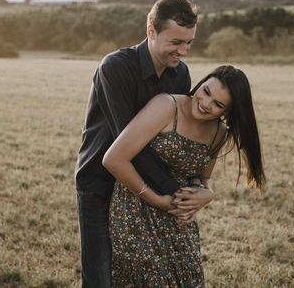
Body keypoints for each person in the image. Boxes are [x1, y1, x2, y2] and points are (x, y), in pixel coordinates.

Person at [74, 0, 215, 288]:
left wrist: (200, 188)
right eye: (176, 42)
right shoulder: (115, 67)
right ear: (151, 31)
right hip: (101, 184)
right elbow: (128, 142)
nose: (184, 51)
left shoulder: (181, 74)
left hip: (148, 190)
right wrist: (174, 194)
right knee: (100, 278)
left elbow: (180, 139)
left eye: (189, 42)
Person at [102, 65, 265, 286]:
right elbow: (114, 159)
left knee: (188, 280)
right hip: (136, 209)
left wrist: (206, 194)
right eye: (206, 91)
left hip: (180, 218)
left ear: (228, 111)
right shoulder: (166, 106)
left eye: (218, 104)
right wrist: (157, 201)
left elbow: (201, 177)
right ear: (202, 83)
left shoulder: (219, 133)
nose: (206, 104)